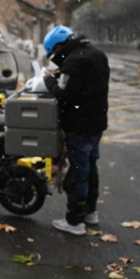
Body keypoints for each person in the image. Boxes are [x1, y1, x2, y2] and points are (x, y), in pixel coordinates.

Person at [42, 25, 110, 236]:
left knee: (79, 172)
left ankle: (74, 222)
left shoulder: (73, 61)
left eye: (54, 52)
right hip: (96, 124)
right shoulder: (97, 55)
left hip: (79, 126)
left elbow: (64, 96)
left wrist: (49, 81)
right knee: (90, 167)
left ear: (59, 46)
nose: (55, 57)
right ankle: (90, 213)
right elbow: (87, 85)